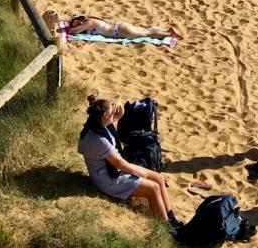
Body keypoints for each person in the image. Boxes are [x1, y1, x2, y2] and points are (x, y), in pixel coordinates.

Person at [77, 95, 180, 229]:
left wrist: (118, 112)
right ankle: (167, 228)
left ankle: (173, 221)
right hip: (108, 180)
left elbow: (112, 122)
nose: (114, 112)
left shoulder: (97, 124)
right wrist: (142, 172)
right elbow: (120, 164)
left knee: (159, 178)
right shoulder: (99, 141)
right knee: (153, 188)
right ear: (104, 116)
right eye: (111, 111)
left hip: (112, 169)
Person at [43, 10, 182, 40]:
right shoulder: (90, 19)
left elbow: (72, 32)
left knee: (147, 33)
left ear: (80, 20)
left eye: (77, 22)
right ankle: (167, 30)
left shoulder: (88, 23)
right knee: (144, 31)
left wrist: (67, 25)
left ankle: (169, 33)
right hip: (119, 27)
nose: (77, 24)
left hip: (119, 31)